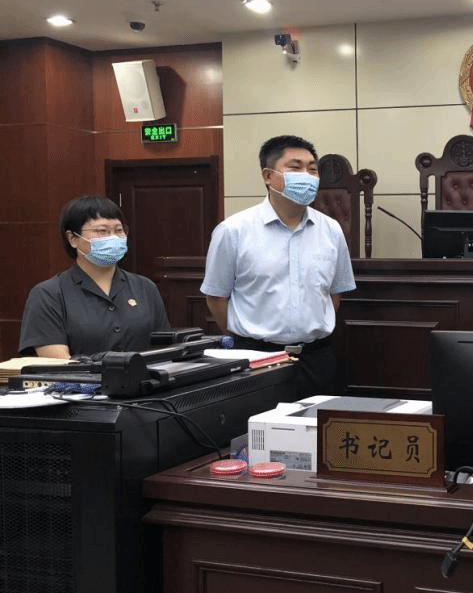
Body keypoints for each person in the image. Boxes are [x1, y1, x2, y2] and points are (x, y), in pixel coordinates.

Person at [201, 135, 356, 400]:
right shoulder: (233, 231)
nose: (306, 176)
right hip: (257, 358)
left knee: (317, 425)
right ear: (267, 176)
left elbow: (334, 295)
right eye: (295, 167)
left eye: (312, 169)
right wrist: (249, 337)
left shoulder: (331, 230)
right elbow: (216, 297)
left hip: (317, 359)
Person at [19, 195, 170, 358]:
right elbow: (58, 365)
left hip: (145, 375)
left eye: (119, 230)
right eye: (102, 231)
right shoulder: (48, 295)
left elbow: (165, 352)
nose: (113, 238)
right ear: (73, 238)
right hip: (81, 376)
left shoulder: (145, 287)